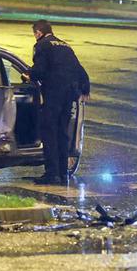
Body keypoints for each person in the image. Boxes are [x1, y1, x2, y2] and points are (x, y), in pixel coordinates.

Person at [28, 19, 90, 184]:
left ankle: (52, 173)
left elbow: (39, 71)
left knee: (49, 132)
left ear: (38, 33)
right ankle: (63, 173)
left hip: (54, 93)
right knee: (62, 132)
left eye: (35, 34)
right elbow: (79, 69)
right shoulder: (65, 46)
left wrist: (29, 75)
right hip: (69, 93)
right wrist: (85, 89)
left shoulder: (42, 45)